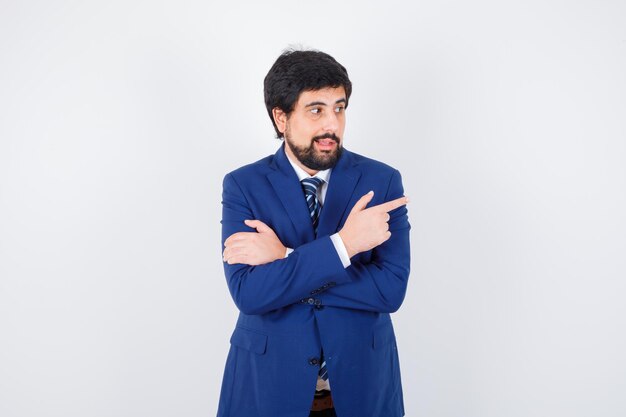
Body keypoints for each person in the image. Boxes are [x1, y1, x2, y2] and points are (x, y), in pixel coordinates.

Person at [217, 48, 411, 417]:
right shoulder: (243, 186)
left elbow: (390, 290)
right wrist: (345, 245)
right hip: (268, 386)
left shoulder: (382, 181)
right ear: (281, 118)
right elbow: (250, 293)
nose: (332, 125)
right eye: (316, 110)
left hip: (361, 387)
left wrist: (285, 258)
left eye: (339, 108)